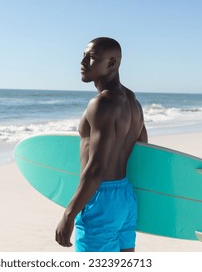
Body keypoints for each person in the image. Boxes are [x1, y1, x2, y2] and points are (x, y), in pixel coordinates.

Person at [55, 37, 148, 252]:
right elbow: (143, 147)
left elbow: (96, 168)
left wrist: (68, 215)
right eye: (83, 55)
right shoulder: (133, 101)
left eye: (92, 57)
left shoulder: (102, 103)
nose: (83, 62)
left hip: (99, 199)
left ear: (112, 63)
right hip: (125, 196)